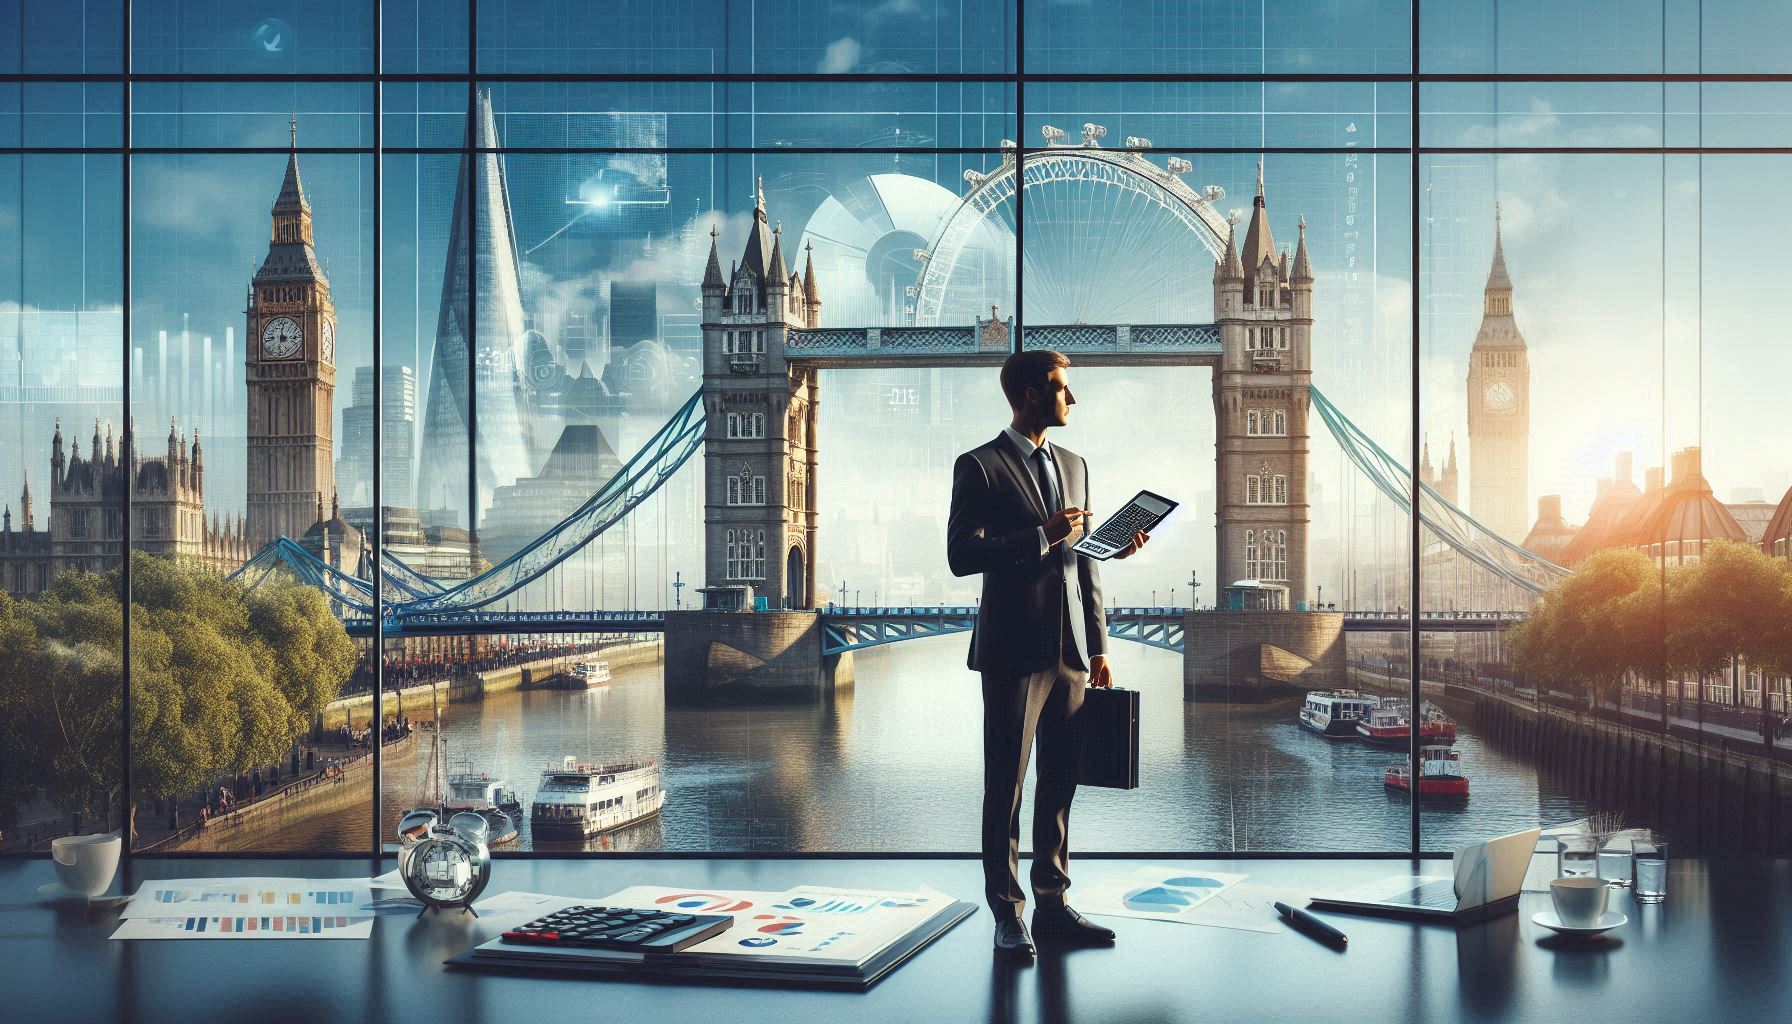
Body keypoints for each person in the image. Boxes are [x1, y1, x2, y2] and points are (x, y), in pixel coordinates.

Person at [947, 349, 1149, 960]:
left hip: (1069, 654)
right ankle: (1008, 915)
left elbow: (1081, 561)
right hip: (1011, 651)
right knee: (1004, 787)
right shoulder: (979, 466)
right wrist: (1043, 535)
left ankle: (1053, 906)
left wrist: (1100, 647)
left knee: (1060, 784)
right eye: (1064, 388)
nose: (1073, 399)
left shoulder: (1075, 464)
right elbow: (961, 555)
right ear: (1031, 393)